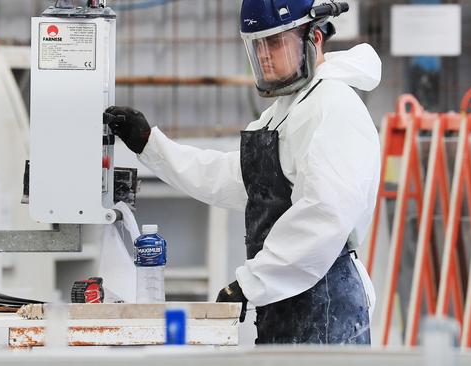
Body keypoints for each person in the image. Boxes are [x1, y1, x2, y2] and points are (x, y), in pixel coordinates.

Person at [106, 0, 381, 345]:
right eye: (257, 46)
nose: (265, 55)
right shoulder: (286, 110)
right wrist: (149, 144)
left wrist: (251, 283)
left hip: (325, 306)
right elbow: (230, 177)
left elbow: (324, 215)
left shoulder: (333, 106)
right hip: (289, 302)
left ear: (314, 37)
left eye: (275, 42)